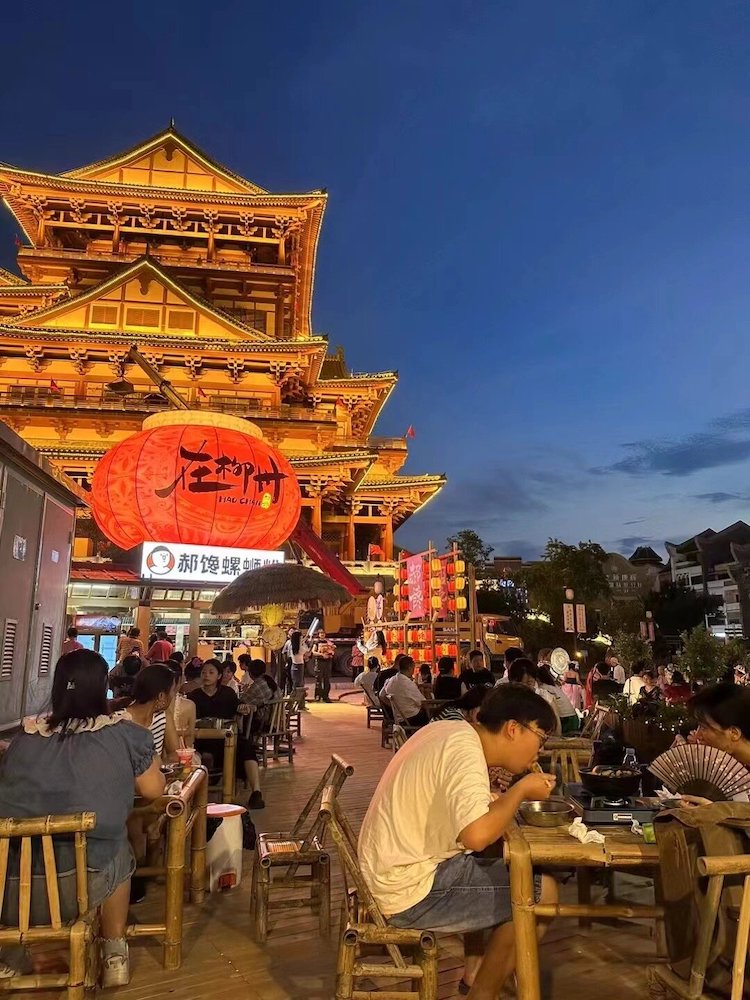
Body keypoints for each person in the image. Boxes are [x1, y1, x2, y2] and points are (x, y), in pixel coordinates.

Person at [359, 684, 558, 998]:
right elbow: (476, 836)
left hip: (389, 871)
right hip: (406, 889)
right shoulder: (465, 751)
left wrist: (500, 799)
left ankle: (474, 974)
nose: (540, 751)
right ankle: (482, 994)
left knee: (502, 865)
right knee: (542, 892)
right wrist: (520, 791)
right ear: (513, 729)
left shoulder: (452, 731)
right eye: (541, 738)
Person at [0, 649, 165, 986]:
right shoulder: (123, 734)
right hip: (83, 889)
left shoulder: (24, 739)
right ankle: (114, 951)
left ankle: (12, 953)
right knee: (116, 846)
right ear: (103, 687)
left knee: (17, 851)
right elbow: (153, 790)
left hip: (12, 892)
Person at [126, 663, 179, 761]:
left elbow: (174, 753)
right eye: (173, 691)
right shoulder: (122, 720)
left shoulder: (163, 716)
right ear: (161, 696)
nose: (174, 695)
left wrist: (160, 766)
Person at [383, 656, 428, 728]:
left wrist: (393, 706)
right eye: (413, 668)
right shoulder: (408, 683)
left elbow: (381, 695)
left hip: (399, 717)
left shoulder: (391, 680)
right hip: (411, 718)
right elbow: (423, 702)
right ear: (410, 668)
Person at [537, 664, 579, 734]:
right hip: (573, 718)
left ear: (537, 679)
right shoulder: (553, 686)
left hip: (567, 721)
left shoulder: (543, 689)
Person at [312, 630, 336, 702]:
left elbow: (333, 650)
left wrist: (331, 652)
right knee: (318, 680)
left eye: (323, 633)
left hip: (327, 663)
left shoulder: (328, 642)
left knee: (327, 680)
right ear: (318, 635)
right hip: (319, 662)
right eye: (321, 633)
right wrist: (322, 654)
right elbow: (313, 652)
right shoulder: (316, 643)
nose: (322, 634)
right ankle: (318, 696)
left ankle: (326, 696)